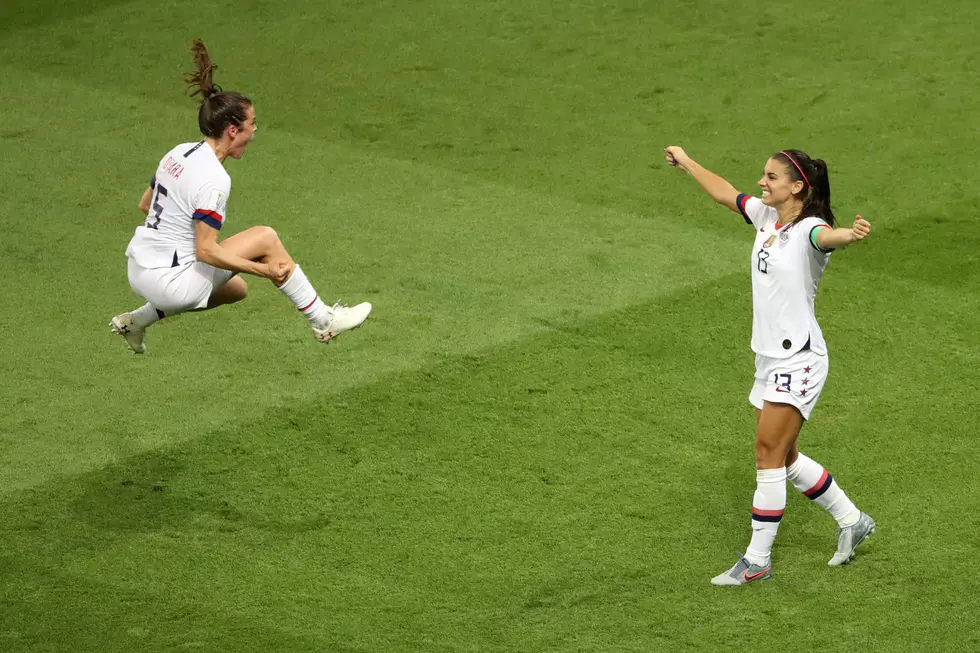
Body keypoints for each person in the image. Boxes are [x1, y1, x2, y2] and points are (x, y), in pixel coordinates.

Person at [663, 145, 875, 586]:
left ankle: (757, 560)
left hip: (799, 359)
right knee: (785, 454)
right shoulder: (765, 216)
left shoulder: (810, 228)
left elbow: (825, 238)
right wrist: (687, 163)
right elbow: (727, 194)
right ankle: (852, 520)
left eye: (772, 177)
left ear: (797, 187)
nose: (763, 182)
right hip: (769, 357)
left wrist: (848, 236)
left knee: (767, 454)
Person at [110, 40, 370, 354]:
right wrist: (264, 270)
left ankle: (136, 321)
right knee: (265, 238)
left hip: (138, 270)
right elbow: (206, 252)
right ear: (233, 130)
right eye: (251, 124)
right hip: (171, 283)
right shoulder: (215, 179)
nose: (255, 130)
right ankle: (322, 320)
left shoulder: (178, 153)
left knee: (235, 290)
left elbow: (145, 204)